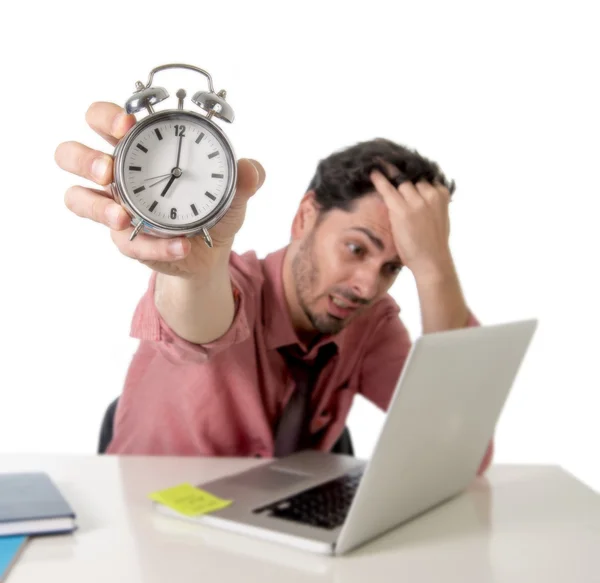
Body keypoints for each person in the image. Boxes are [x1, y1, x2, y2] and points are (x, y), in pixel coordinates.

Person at [55, 101, 494, 474]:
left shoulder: (370, 325)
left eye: (396, 266)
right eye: (357, 248)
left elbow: (458, 452)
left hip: (279, 548)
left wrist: (435, 268)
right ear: (305, 216)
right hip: (149, 536)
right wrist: (191, 273)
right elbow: (198, 323)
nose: (368, 286)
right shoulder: (235, 287)